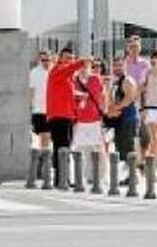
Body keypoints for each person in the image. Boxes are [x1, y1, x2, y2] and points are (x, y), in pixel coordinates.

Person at [45, 47, 85, 177]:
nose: (69, 61)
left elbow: (68, 95)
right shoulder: (57, 70)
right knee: (61, 146)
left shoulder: (68, 77)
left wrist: (79, 100)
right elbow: (69, 69)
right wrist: (81, 62)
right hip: (58, 116)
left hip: (67, 116)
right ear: (60, 58)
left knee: (65, 146)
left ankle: (63, 177)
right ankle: (61, 177)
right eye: (66, 58)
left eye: (71, 58)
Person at [71, 57, 106, 180]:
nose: (83, 68)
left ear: (90, 66)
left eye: (86, 65)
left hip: (94, 119)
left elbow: (102, 97)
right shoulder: (74, 80)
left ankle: (99, 175)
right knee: (81, 148)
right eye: (81, 65)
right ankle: (84, 175)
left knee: (97, 147)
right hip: (79, 120)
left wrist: (103, 114)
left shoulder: (95, 79)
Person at [105, 56, 139, 175]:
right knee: (120, 148)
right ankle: (126, 175)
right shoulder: (115, 82)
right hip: (119, 119)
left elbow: (129, 99)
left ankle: (132, 175)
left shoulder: (128, 80)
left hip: (128, 119)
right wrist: (111, 109)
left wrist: (115, 108)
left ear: (125, 66)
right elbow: (111, 98)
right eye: (115, 65)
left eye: (120, 65)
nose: (117, 68)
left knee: (128, 147)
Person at [29, 51, 52, 153]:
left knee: (49, 137)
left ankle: (46, 157)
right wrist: (30, 106)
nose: (46, 62)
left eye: (48, 60)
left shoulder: (53, 71)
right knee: (44, 136)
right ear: (39, 60)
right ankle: (44, 158)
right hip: (39, 110)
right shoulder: (34, 73)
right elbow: (31, 90)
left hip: (53, 110)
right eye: (43, 60)